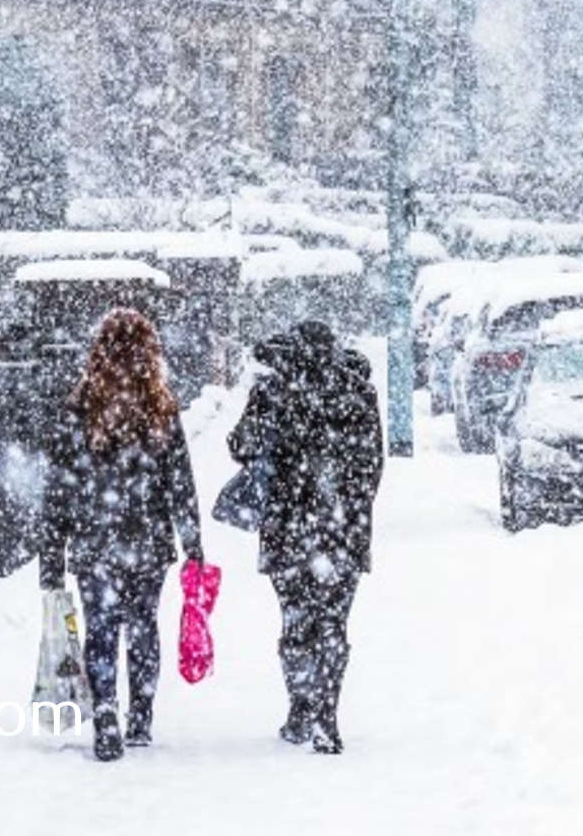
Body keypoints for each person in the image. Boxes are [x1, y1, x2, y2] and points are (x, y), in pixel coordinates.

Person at [39, 308, 203, 762]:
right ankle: (141, 715)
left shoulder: (79, 407)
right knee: (144, 627)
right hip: (148, 540)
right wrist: (193, 545)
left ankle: (107, 711)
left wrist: (51, 556)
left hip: (95, 541)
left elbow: (58, 488)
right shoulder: (161, 407)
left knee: (101, 629)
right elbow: (180, 482)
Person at [227, 321, 383, 754]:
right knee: (333, 623)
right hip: (342, 529)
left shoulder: (272, 392)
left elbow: (242, 447)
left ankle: (300, 708)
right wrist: (350, 510)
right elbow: (373, 467)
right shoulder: (358, 393)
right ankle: (326, 715)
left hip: (287, 527)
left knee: (296, 620)